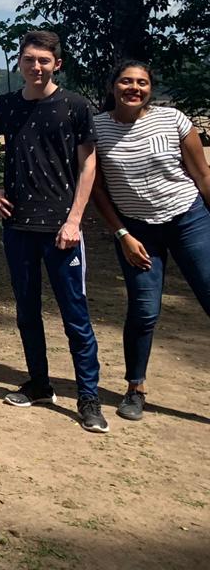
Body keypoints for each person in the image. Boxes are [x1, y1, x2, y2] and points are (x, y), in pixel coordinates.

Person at [0, 29, 108, 434]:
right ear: (19, 62)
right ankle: (38, 383)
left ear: (57, 64)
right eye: (29, 59)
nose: (36, 67)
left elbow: (89, 165)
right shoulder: (7, 104)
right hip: (17, 224)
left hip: (61, 228)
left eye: (44, 61)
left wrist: (74, 220)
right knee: (26, 310)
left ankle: (88, 397)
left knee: (74, 314)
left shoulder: (74, 105)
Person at [90, 60, 210, 421]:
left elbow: (202, 175)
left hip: (189, 219)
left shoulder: (174, 120)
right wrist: (122, 234)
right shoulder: (96, 129)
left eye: (142, 83)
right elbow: (97, 190)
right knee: (144, 311)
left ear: (150, 89)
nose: (134, 88)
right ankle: (135, 387)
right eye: (126, 81)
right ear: (113, 86)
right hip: (135, 231)